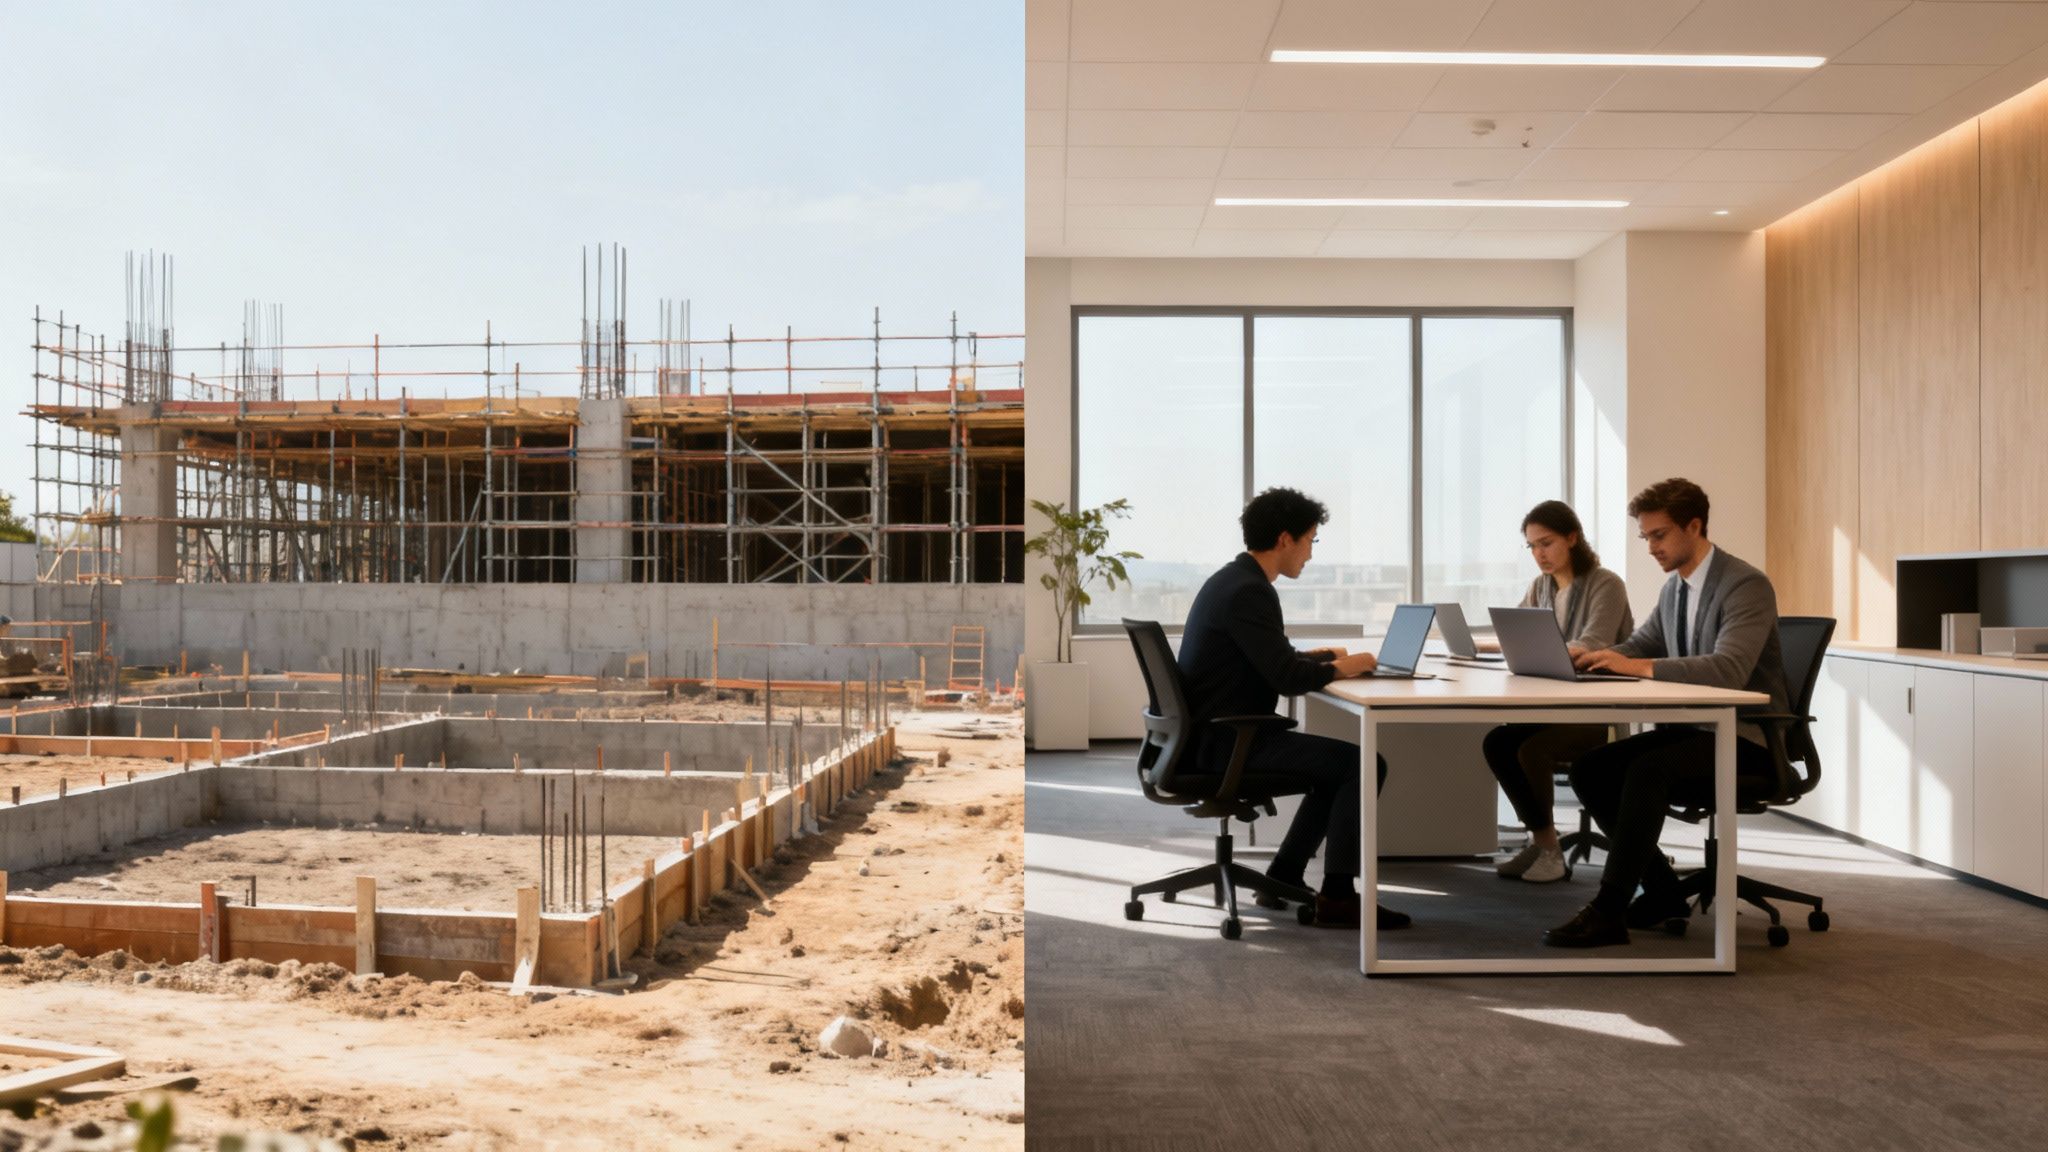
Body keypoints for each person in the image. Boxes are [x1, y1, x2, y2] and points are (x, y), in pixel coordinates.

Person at [1542, 478, 1789, 948]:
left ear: (1694, 526)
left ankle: (1609, 909)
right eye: (1646, 537)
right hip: (1694, 731)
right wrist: (1593, 657)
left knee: (1646, 770)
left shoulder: (1745, 585)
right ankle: (1662, 892)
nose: (1651, 547)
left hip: (1747, 739)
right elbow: (1641, 645)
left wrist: (1630, 664)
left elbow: (1729, 668)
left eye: (1659, 535)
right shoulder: (1676, 588)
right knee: (1593, 770)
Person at [1177, 487, 1410, 931]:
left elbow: (1272, 657)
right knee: (1361, 766)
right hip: (1228, 745)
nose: (1310, 554)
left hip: (1209, 738)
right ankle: (1339, 898)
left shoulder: (1232, 580)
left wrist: (1326, 659)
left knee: (1337, 769)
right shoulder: (1251, 592)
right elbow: (1285, 678)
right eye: (1310, 541)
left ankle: (1283, 875)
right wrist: (1347, 666)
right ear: (1286, 539)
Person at [1485, 500, 1634, 884]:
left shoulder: (1606, 584)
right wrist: (1480, 645)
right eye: (1532, 546)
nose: (1539, 554)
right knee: (1498, 741)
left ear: (1573, 538)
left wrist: (1547, 649)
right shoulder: (1542, 587)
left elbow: (1593, 642)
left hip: (1595, 713)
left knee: (1531, 748)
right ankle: (1542, 843)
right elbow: (1517, 631)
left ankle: (1549, 851)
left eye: (1546, 543)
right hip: (1553, 706)